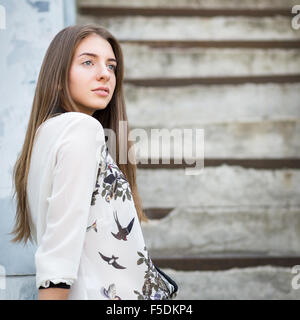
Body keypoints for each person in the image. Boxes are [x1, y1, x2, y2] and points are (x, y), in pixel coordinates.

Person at [10, 24, 178, 300]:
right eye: (88, 62)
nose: (104, 74)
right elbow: (59, 251)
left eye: (111, 66)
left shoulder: (44, 136)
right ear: (57, 77)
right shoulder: (81, 128)